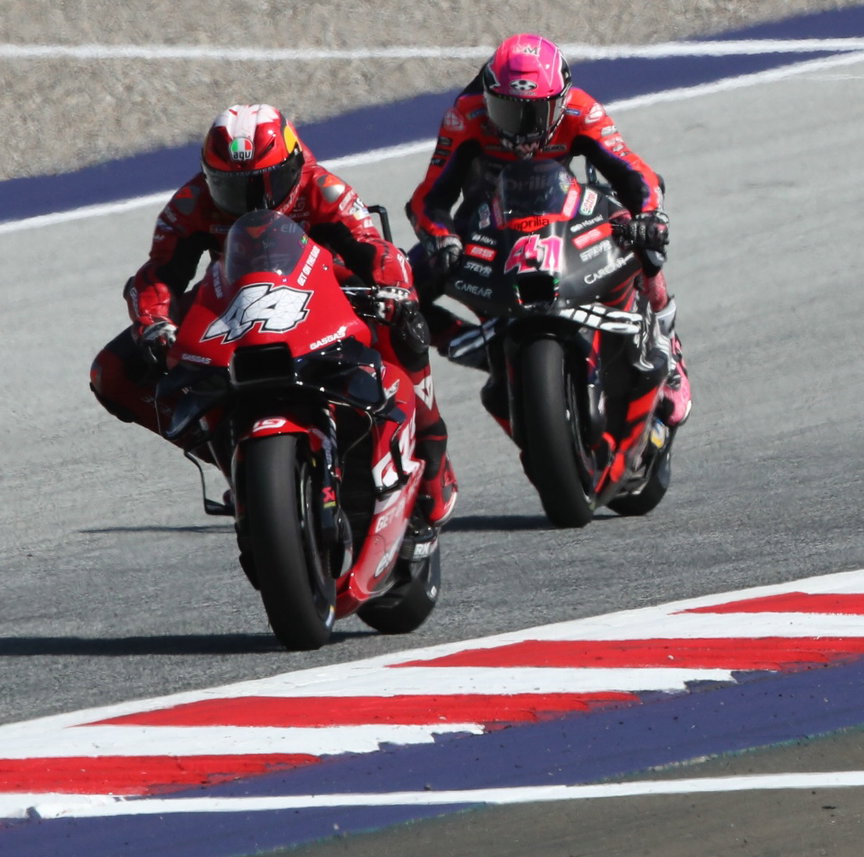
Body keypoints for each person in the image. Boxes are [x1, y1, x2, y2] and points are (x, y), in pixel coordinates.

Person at [90, 104, 459, 526]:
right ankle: (235, 456)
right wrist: (155, 322)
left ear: (293, 164)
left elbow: (373, 247)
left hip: (329, 291)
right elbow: (158, 274)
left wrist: (394, 290)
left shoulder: (321, 188)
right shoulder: (192, 203)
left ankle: (431, 451)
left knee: (405, 325)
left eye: (266, 183)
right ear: (210, 179)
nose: (254, 200)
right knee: (113, 371)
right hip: (234, 300)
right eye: (234, 188)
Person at [405, 32, 691, 428]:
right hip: (488, 220)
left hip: (564, 209)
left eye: (535, 114)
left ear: (559, 103)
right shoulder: (466, 117)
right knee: (397, 289)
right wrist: (442, 238)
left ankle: (666, 341)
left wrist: (650, 217)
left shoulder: (581, 111)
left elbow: (635, 173)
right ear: (488, 98)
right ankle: (471, 344)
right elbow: (428, 198)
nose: (522, 129)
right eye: (507, 111)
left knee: (635, 231)